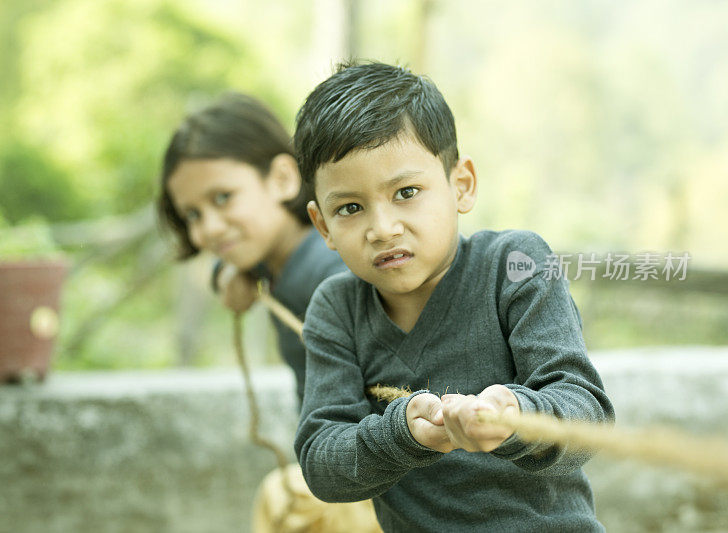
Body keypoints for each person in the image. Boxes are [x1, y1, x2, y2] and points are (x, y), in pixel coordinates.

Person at [293, 62, 615, 532]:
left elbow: (584, 414)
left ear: (461, 185)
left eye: (406, 192)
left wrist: (515, 415)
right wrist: (401, 432)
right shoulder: (336, 309)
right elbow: (322, 463)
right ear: (322, 224)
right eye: (350, 208)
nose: (383, 229)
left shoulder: (514, 265)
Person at [156, 92, 380, 533]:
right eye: (193, 214)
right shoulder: (279, 266)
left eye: (223, 198)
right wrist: (226, 271)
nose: (208, 228)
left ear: (281, 178)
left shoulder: (329, 271)